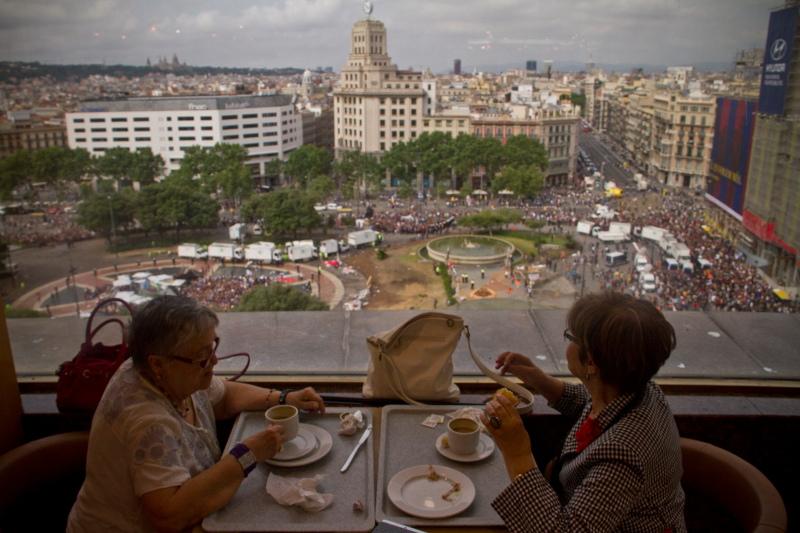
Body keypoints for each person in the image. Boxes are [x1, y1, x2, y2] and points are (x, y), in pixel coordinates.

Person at [67, 295, 325, 532]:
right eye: (202, 355)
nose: (214, 361)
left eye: (212, 346)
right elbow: (169, 516)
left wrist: (285, 398)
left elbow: (225, 395)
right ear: (158, 363)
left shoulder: (171, 375)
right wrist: (247, 455)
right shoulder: (147, 421)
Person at [481, 291, 686, 532]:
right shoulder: (641, 391)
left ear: (591, 362)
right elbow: (594, 404)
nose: (568, 343)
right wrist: (540, 381)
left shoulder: (623, 457)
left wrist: (516, 452)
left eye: (572, 337)